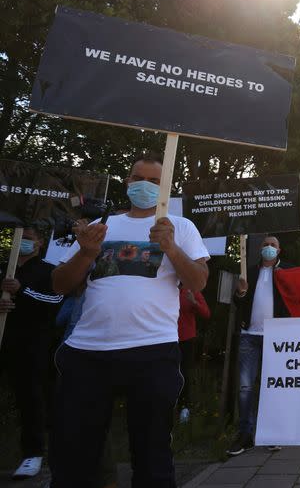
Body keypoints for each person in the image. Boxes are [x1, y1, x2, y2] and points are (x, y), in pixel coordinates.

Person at [49, 153, 210, 488]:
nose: (146, 186)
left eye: (155, 181)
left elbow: (197, 282)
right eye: (139, 179)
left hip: (152, 352)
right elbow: (60, 284)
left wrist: (171, 249)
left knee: (152, 455)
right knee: (75, 452)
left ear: (166, 187)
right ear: (127, 182)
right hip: (87, 352)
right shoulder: (99, 227)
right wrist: (87, 253)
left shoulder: (179, 226)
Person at [0, 226, 63, 479]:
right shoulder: (5, 267)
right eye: (19, 237)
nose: (23, 242)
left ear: (39, 243)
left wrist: (21, 291)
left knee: (31, 397)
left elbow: (54, 301)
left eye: (28, 238)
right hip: (4, 338)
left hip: (32, 343)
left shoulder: (48, 270)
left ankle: (32, 453)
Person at [226, 235, 289, 456]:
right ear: (259, 249)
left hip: (276, 338)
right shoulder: (249, 272)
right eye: (265, 245)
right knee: (245, 388)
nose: (269, 247)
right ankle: (245, 435)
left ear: (279, 251)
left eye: (273, 244)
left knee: (272, 387)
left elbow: (295, 300)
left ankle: (271, 434)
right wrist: (241, 291)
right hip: (249, 336)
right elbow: (238, 301)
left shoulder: (285, 274)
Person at [177, 287, 211, 424]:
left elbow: (206, 313)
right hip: (166, 338)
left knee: (184, 373)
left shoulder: (191, 290)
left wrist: (194, 302)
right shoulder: (166, 287)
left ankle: (184, 407)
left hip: (186, 338)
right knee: (166, 372)